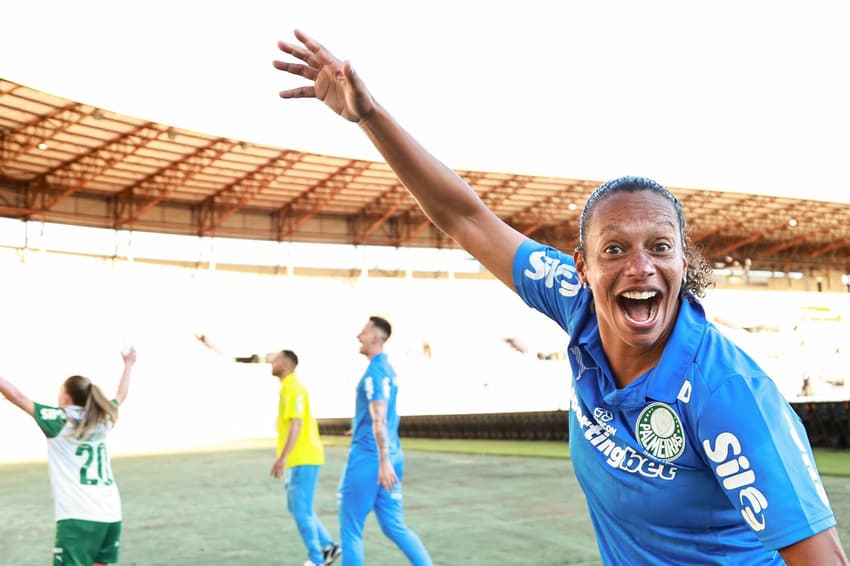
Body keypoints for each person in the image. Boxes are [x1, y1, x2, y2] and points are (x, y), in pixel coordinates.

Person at [272, 30, 849, 565]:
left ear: (681, 260)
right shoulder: (575, 301)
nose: (640, 266)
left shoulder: (728, 394)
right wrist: (368, 116)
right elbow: (464, 216)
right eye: (615, 249)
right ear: (583, 267)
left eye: (660, 247)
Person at [0, 348, 137, 566]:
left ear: (66, 396)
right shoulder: (103, 417)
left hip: (78, 516)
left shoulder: (58, 421)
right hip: (110, 514)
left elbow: (17, 396)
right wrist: (129, 365)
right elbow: (120, 395)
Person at [335, 316, 432, 566]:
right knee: (394, 526)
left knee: (351, 526)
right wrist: (359, 428)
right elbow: (379, 418)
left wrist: (383, 461)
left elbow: (379, 420)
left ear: (376, 337)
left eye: (364, 331)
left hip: (372, 459)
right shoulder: (388, 370)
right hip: (391, 455)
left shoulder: (374, 374)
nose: (359, 336)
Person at [269, 349, 341, 566]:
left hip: (303, 457)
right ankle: (329, 546)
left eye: (276, 359)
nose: (272, 362)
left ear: (288, 364)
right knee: (298, 508)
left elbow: (296, 423)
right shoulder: (287, 388)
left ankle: (316, 558)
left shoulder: (294, 388)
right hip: (298, 459)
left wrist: (282, 457)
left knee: (301, 510)